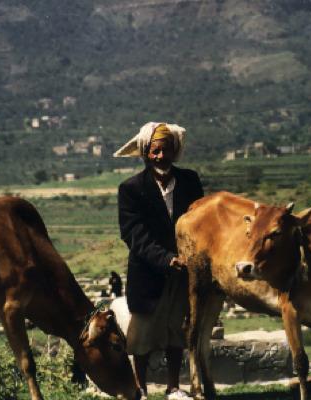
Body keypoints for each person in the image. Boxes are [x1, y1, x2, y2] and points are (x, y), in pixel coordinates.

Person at [115, 122, 203, 400]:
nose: (160, 156)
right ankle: (139, 388)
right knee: (141, 337)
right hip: (147, 272)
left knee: (176, 332)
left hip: (182, 272)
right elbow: (133, 234)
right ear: (144, 153)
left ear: (174, 151)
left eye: (165, 150)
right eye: (155, 151)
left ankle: (173, 387)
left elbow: (199, 222)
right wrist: (166, 259)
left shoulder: (190, 181)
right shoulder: (130, 189)